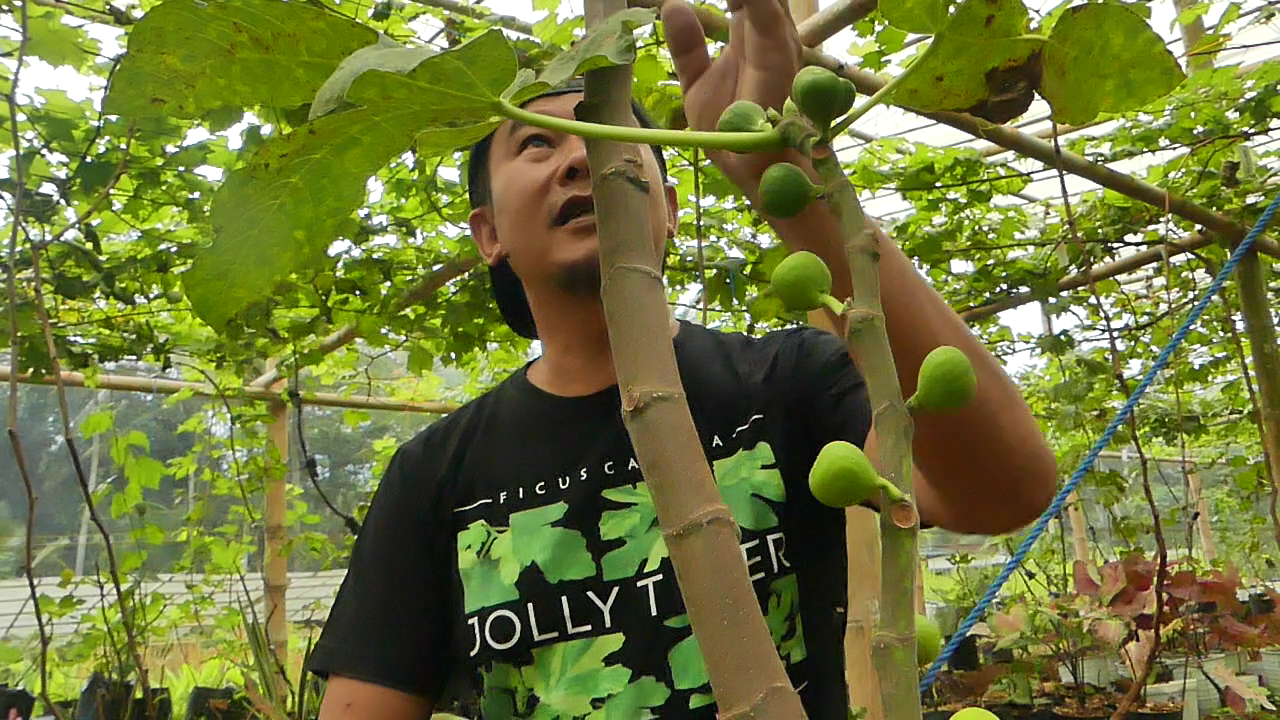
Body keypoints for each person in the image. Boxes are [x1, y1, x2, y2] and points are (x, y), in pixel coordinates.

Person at [306, 0, 1058, 716]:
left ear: (666, 205)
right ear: (487, 234)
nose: (584, 159)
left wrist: (783, 180)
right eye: (538, 140)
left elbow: (1006, 491)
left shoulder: (788, 383)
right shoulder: (437, 474)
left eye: (609, 137)